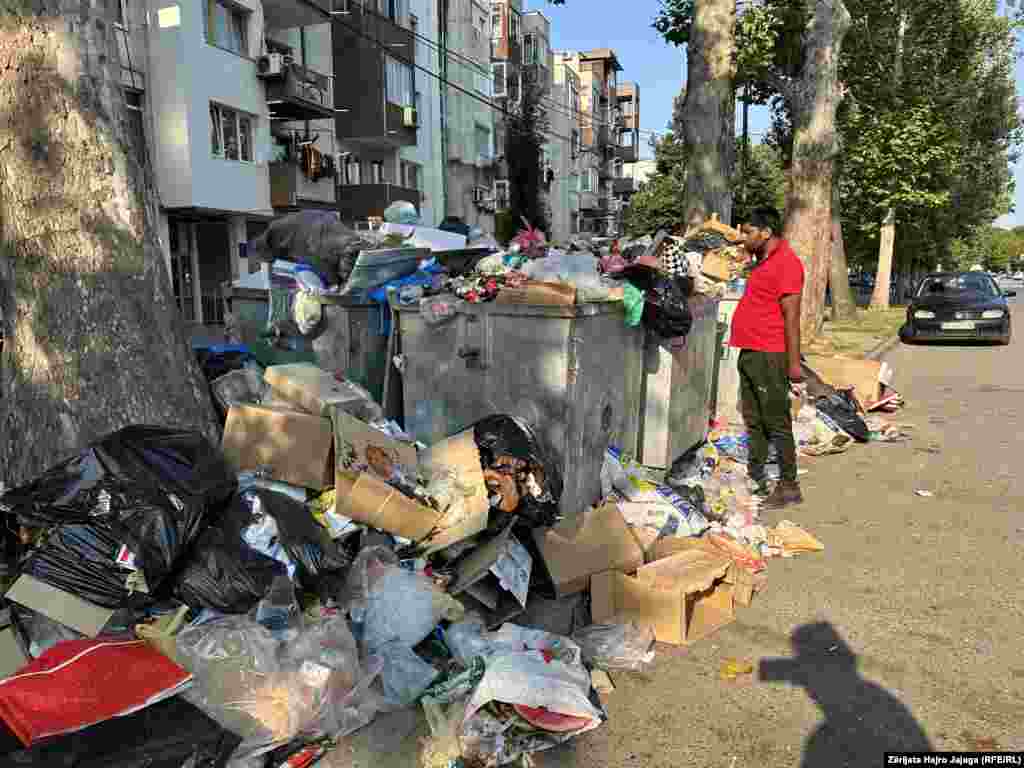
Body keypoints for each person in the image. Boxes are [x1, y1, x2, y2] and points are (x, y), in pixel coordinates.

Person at [729, 206, 805, 508]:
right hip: (750, 350)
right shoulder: (764, 261)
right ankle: (756, 476)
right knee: (754, 419)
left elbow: (792, 316)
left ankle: (789, 485)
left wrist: (794, 364)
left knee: (776, 420)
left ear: (766, 232)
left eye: (748, 232)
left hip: (769, 353)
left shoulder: (787, 263)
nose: (743, 238)